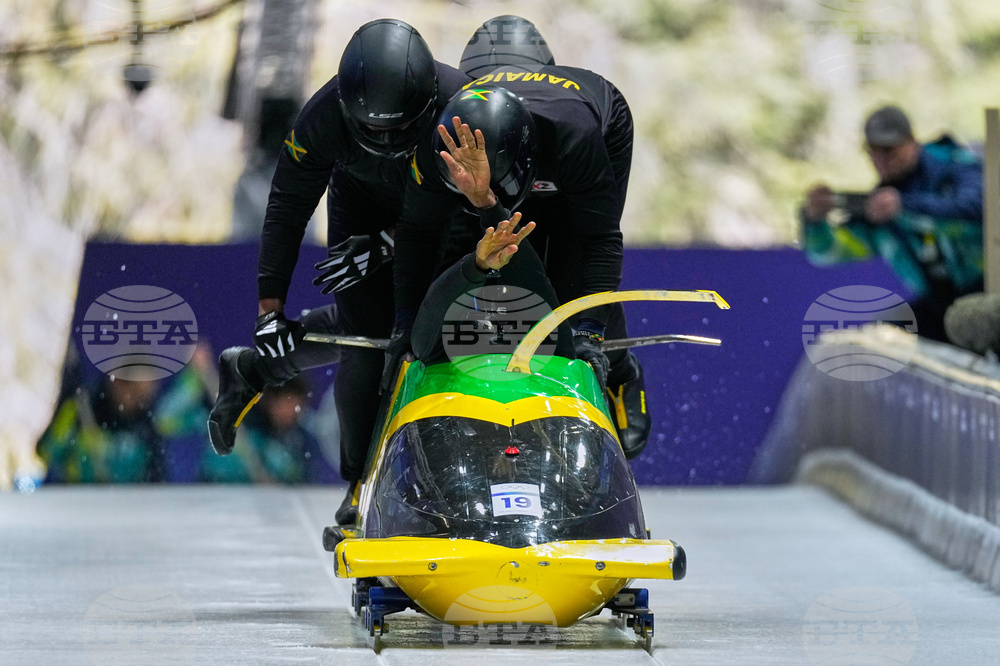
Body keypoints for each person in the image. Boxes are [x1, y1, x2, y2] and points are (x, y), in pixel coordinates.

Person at [207, 19, 471, 525]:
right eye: (373, 129)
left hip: (442, 213)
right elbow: (286, 207)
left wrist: (389, 245)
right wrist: (270, 311)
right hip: (360, 208)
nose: (388, 138)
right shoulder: (323, 118)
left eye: (399, 129)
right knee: (367, 334)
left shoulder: (460, 106)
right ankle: (362, 483)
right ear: (350, 112)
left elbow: (474, 206)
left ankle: (255, 370)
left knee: (428, 331)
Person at [391, 66, 653, 460]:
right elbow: (415, 234)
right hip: (487, 175)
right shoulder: (438, 152)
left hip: (592, 130)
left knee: (568, 278)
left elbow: (599, 240)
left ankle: (621, 370)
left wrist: (591, 334)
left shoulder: (575, 140)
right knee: (462, 256)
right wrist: (406, 324)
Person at [801, 105, 984, 341]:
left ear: (911, 141)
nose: (881, 160)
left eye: (888, 150)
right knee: (882, 340)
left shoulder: (953, 164)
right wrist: (815, 221)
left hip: (988, 291)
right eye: (872, 151)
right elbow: (827, 254)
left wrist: (905, 207)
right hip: (940, 306)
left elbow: (976, 209)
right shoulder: (878, 209)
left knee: (975, 321)